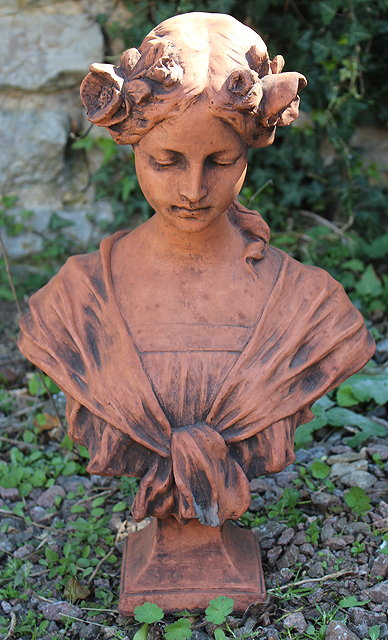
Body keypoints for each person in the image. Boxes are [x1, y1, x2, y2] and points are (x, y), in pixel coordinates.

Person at [19, 13, 375, 529]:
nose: (192, 189)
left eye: (220, 161)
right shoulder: (74, 303)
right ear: (133, 144)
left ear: (249, 152)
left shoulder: (312, 310)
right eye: (167, 162)